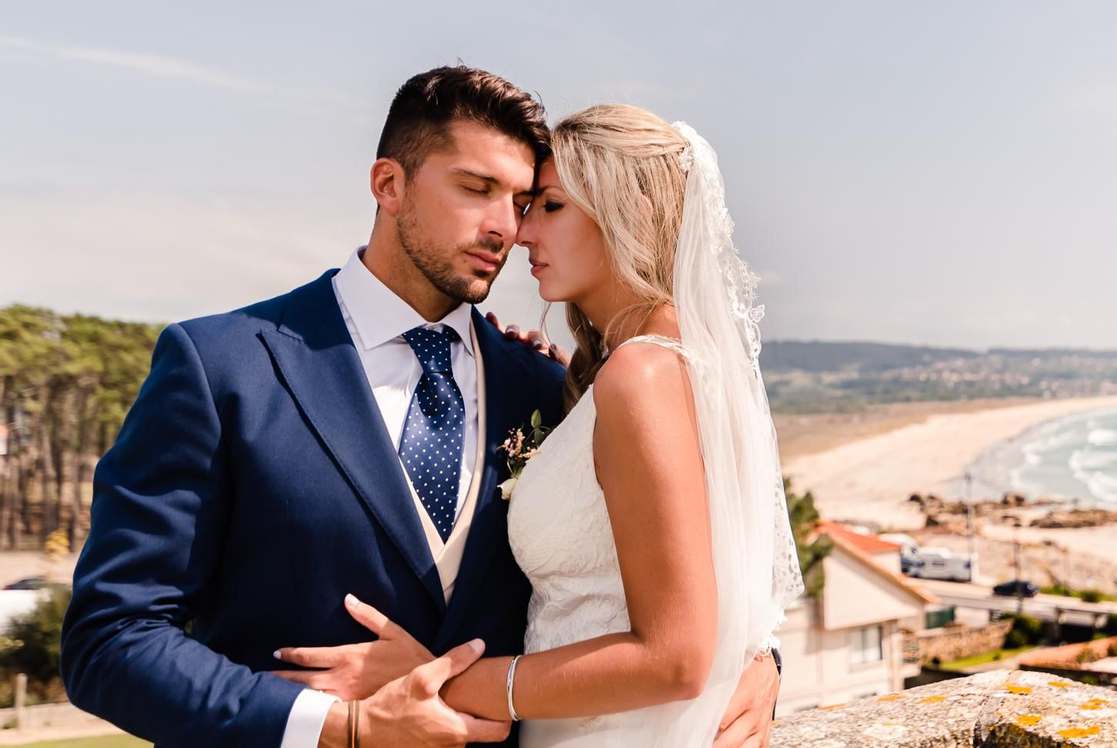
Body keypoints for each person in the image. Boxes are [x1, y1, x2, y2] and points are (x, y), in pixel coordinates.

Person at [60, 67, 782, 748]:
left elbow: (667, 560)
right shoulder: (222, 365)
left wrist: (752, 657)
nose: (506, 228)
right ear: (389, 183)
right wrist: (339, 727)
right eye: (475, 188)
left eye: (524, 202)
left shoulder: (548, 386)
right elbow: (109, 639)